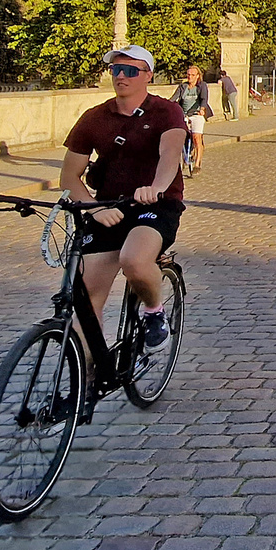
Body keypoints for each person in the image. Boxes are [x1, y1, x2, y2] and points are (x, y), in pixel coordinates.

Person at [60, 45, 186, 350]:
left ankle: (154, 311)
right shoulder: (94, 117)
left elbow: (170, 153)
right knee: (85, 301)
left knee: (134, 260)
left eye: (131, 71)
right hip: (109, 208)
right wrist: (94, 208)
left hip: (155, 205)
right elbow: (68, 177)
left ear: (148, 76)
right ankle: (85, 384)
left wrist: (155, 187)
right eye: (116, 69)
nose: (122, 76)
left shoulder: (166, 111)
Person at [171, 64, 211, 171]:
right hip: (184, 114)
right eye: (188, 75)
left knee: (197, 137)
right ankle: (183, 156)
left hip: (197, 114)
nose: (190, 77)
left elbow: (204, 99)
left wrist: (202, 109)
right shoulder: (183, 86)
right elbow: (173, 99)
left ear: (198, 76)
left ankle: (197, 165)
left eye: (193, 75)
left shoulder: (202, 86)